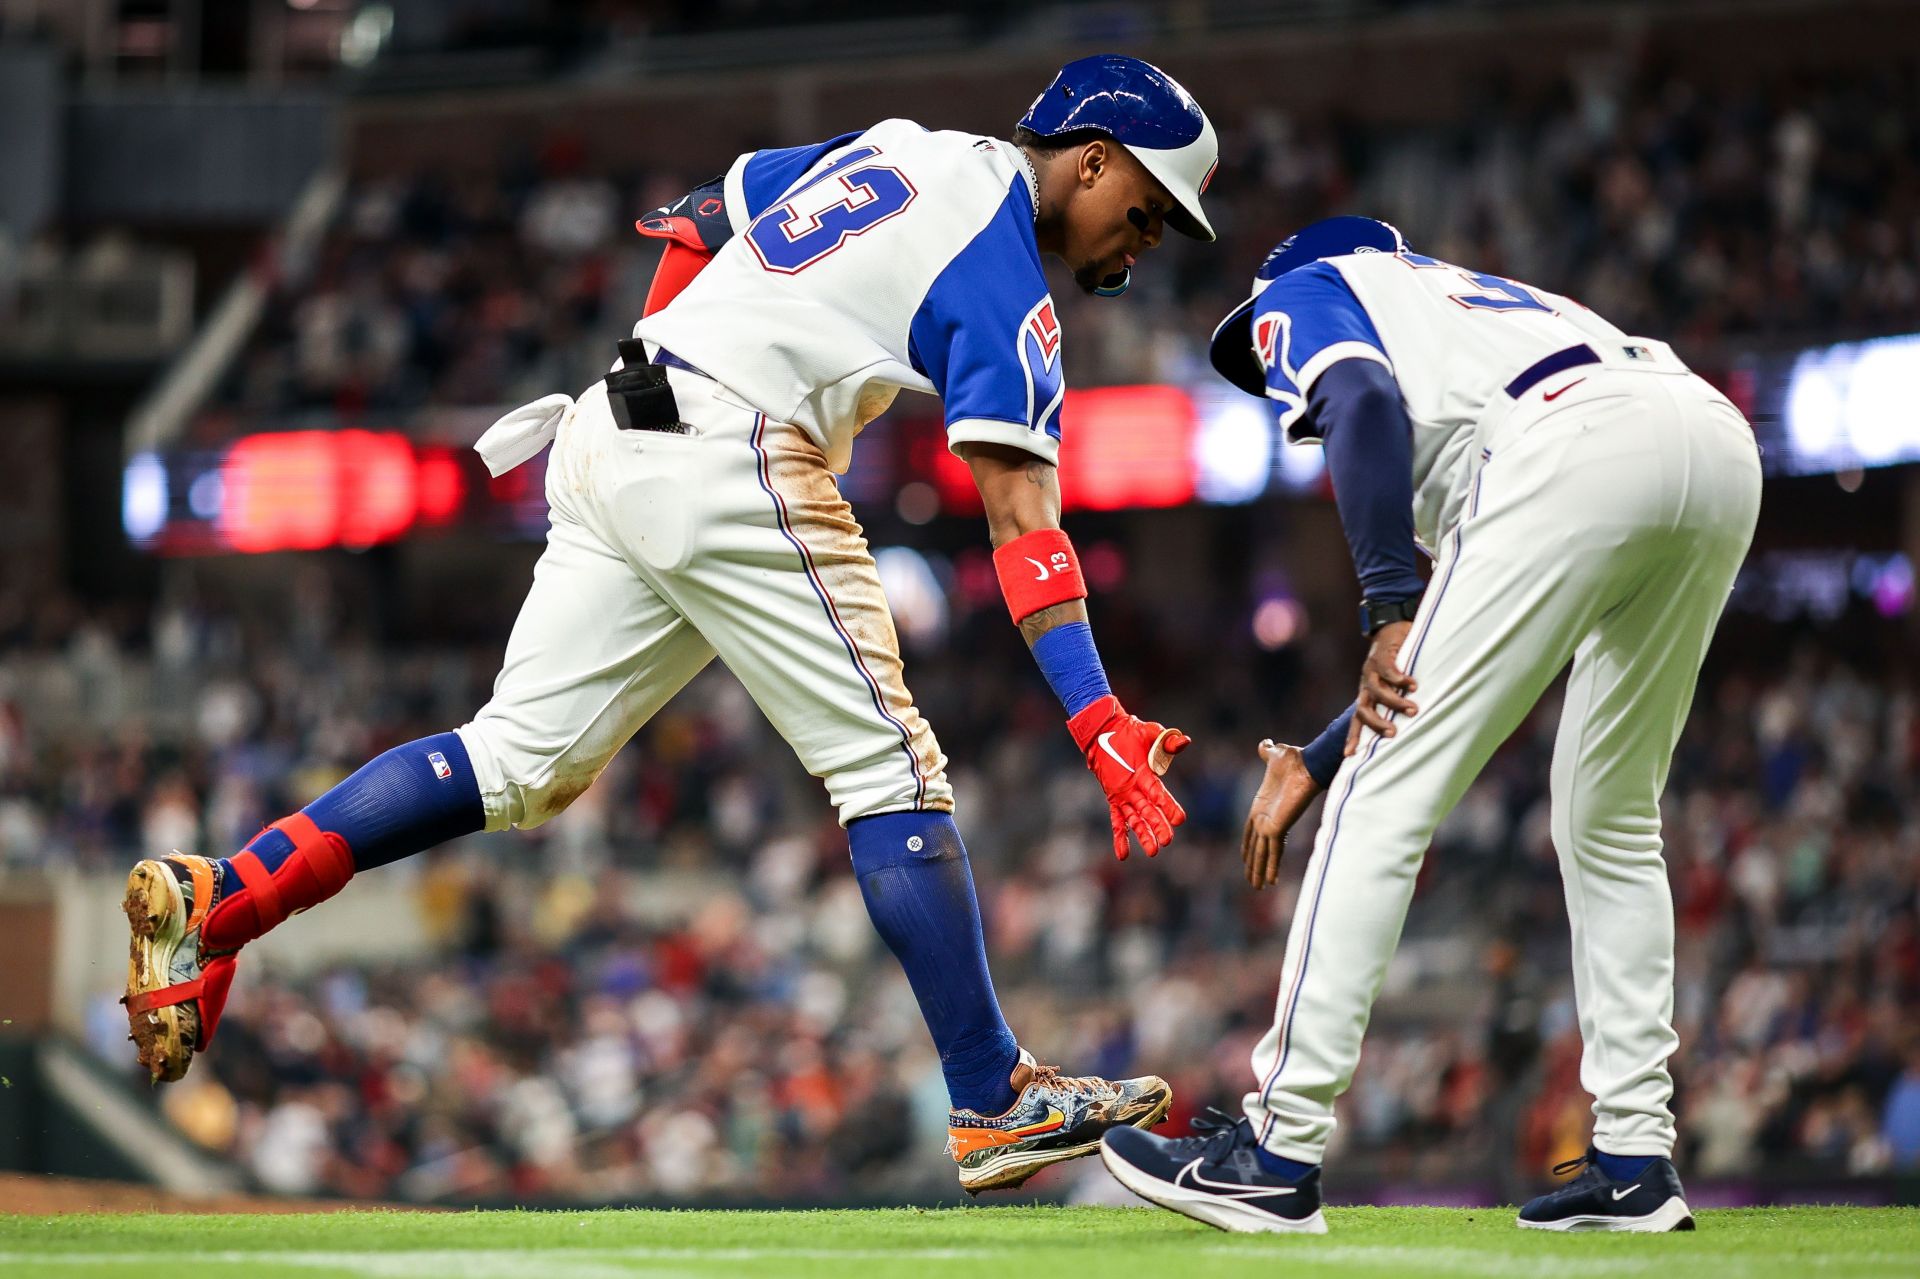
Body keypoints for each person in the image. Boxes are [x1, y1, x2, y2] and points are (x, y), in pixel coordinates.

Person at [121, 54, 1219, 1194]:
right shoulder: (1002, 278)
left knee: (516, 763)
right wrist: (1098, 717)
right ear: (1092, 159)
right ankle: (994, 1096)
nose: (1146, 244)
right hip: (732, 447)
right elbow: (1022, 520)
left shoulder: (905, 145)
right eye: (1146, 210)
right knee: (890, 768)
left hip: (619, 421)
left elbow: (700, 220)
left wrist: (658, 372)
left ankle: (225, 899)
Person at [1099, 217, 1760, 1230]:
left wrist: (1380, 603)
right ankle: (1636, 1156)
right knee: (1612, 816)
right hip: (1707, 437)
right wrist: (1320, 756)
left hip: (1573, 444)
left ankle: (1276, 1151)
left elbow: (1357, 397)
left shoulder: (1318, 283)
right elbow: (1445, 661)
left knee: (1382, 804)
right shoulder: (1473, 313)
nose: (1287, 398)